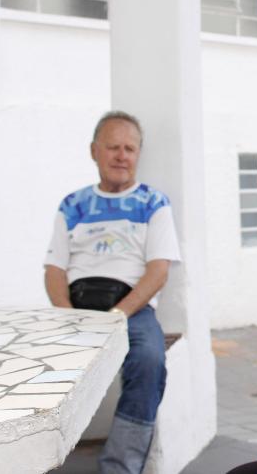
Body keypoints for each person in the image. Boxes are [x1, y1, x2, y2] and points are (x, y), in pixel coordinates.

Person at [44, 111, 181, 474]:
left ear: (138, 154)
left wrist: (118, 315)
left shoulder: (154, 203)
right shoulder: (72, 205)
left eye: (129, 148)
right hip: (75, 308)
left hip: (131, 310)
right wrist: (67, 314)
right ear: (94, 151)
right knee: (38, 365)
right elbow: (54, 270)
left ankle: (119, 467)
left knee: (150, 361)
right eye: (113, 147)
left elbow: (158, 271)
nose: (122, 156)